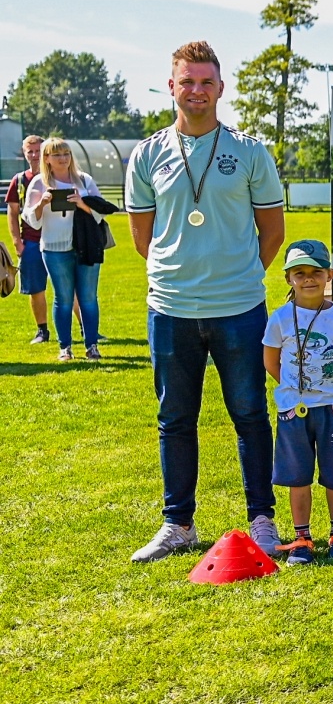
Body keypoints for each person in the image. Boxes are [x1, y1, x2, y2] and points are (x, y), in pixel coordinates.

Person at [127, 41, 286, 564]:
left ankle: (262, 520)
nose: (196, 91)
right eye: (187, 82)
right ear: (171, 86)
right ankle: (178, 525)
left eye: (206, 82)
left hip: (239, 307)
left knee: (250, 414)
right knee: (174, 419)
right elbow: (143, 239)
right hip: (170, 308)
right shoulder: (147, 154)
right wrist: (182, 276)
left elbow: (272, 232)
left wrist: (237, 276)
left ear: (221, 88)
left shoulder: (250, 152)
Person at [264, 240, 333, 565]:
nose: (308, 279)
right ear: (288, 278)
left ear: (329, 275)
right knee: (298, 475)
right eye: (299, 273)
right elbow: (271, 361)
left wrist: (328, 391)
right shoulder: (279, 318)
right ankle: (302, 537)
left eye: (316, 272)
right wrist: (296, 389)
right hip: (294, 410)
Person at [23, 137, 107, 362]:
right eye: (57, 154)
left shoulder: (85, 180)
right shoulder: (39, 182)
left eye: (66, 153)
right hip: (54, 249)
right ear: (47, 159)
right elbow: (31, 220)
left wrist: (82, 203)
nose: (63, 158)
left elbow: (101, 212)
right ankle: (65, 348)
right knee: (63, 299)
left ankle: (92, 346)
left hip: (86, 247)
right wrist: (42, 203)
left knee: (88, 298)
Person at [6, 134, 52, 344]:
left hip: (58, 240)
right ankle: (42, 331)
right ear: (24, 154)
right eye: (30, 151)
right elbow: (12, 213)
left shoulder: (56, 175)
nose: (34, 155)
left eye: (38, 151)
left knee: (70, 288)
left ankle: (85, 329)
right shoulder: (19, 180)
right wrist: (17, 242)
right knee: (36, 289)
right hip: (31, 242)